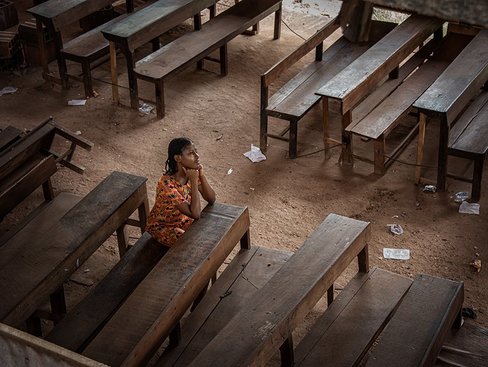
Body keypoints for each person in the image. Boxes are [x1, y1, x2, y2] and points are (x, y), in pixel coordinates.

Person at [146, 137, 216, 247]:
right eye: (191, 153)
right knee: (191, 245)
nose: (197, 156)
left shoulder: (190, 172)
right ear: (178, 158)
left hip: (183, 221)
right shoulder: (166, 184)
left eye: (196, 151)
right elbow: (196, 214)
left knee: (210, 234)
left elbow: (211, 199)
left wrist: (201, 176)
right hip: (163, 227)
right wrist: (193, 180)